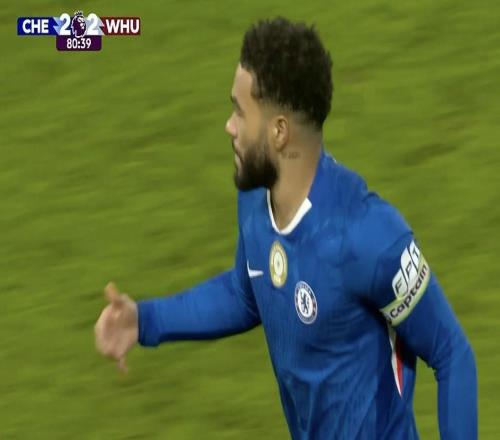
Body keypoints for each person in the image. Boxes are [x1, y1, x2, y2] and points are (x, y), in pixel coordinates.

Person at [94, 17, 477, 439]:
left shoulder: (366, 236)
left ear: (279, 131)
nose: (229, 126)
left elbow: (451, 353)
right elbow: (246, 291)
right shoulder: (254, 200)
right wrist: (144, 320)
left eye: (240, 112)